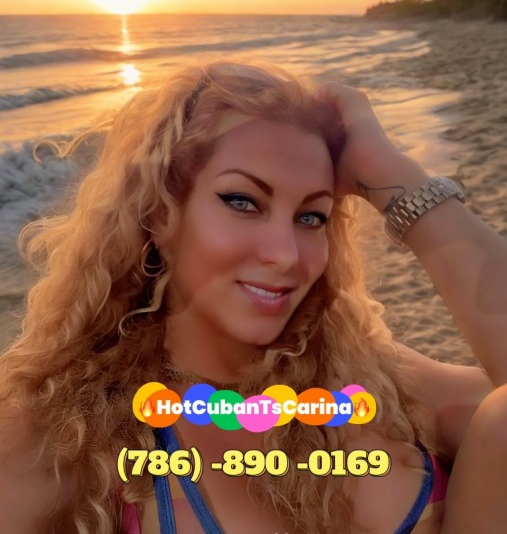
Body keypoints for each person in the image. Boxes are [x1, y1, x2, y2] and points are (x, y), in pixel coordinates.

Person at [0, 61, 506, 534]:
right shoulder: (63, 433)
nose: (286, 254)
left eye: (311, 217)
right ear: (159, 212)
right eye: (242, 201)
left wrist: (390, 172)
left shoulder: (387, 387)